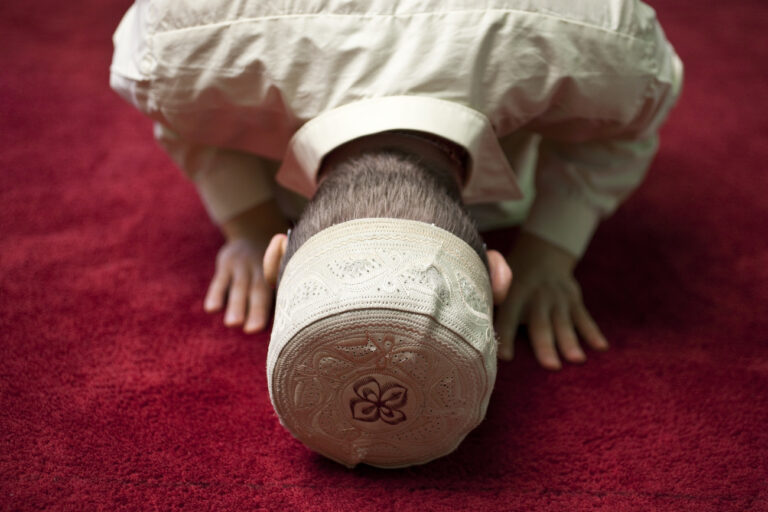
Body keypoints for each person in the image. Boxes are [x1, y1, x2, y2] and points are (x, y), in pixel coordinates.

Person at [110, 0, 683, 467]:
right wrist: (247, 221)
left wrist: (551, 247)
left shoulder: (174, 46)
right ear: (497, 273)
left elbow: (178, 108)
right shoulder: (611, 50)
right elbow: (175, 108)